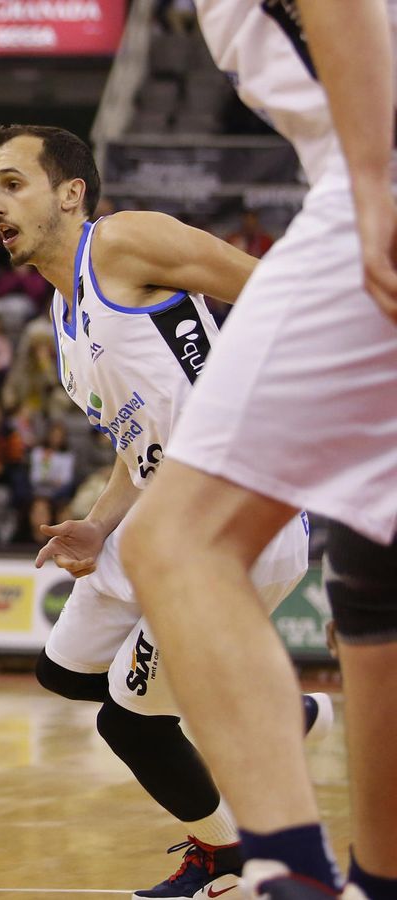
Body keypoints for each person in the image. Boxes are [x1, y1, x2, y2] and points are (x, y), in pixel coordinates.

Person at [0, 124, 328, 899]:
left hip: (231, 516)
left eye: (12, 183)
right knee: (65, 672)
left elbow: (266, 290)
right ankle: (272, 711)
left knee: (128, 722)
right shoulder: (64, 318)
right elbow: (137, 441)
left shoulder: (123, 243)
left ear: (70, 193)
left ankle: (227, 855)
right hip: (156, 518)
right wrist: (98, 523)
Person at [117, 2, 397, 897]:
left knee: (178, 544)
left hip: (368, 182)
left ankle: (287, 871)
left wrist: (367, 183)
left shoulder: (125, 247)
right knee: (378, 548)